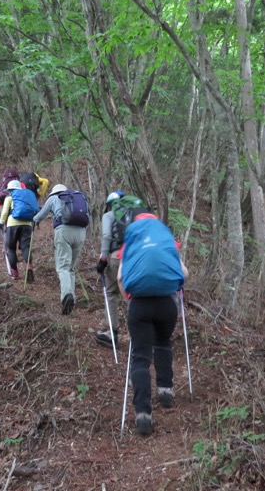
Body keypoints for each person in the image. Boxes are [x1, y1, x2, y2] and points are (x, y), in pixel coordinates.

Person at [118, 213, 188, 437]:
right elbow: (185, 273)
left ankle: (143, 414)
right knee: (163, 343)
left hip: (139, 304)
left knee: (140, 357)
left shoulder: (131, 243)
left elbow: (120, 278)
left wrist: (128, 301)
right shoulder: (167, 241)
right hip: (167, 304)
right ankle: (166, 391)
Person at [33, 183, 90, 315]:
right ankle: (72, 300)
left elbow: (41, 214)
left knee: (63, 267)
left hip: (63, 231)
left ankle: (67, 295)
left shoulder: (53, 198)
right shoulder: (78, 199)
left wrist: (34, 220)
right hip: (81, 233)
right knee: (71, 267)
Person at [94, 190, 127, 348]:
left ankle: (111, 332)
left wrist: (102, 258)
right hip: (135, 258)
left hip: (116, 257)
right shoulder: (133, 216)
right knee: (132, 294)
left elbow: (107, 235)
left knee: (111, 292)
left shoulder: (109, 215)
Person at [0, 180, 38, 282]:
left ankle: (14, 272)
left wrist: (1, 222)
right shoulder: (27, 197)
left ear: (10, 189)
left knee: (10, 248)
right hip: (27, 224)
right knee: (26, 247)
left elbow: (4, 213)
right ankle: (29, 266)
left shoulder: (10, 197)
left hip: (13, 224)